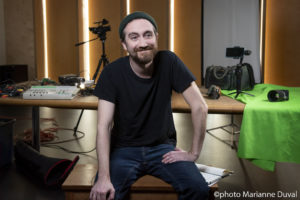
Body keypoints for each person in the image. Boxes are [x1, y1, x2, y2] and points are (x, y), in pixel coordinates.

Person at [90, 11, 209, 200]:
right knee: (104, 195)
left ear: (156, 37)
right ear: (124, 44)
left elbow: (200, 107)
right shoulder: (111, 73)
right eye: (134, 37)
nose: (143, 43)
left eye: (148, 34)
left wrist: (193, 153)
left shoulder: (169, 61)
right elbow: (103, 126)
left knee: (199, 190)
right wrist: (103, 177)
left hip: (163, 149)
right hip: (123, 151)